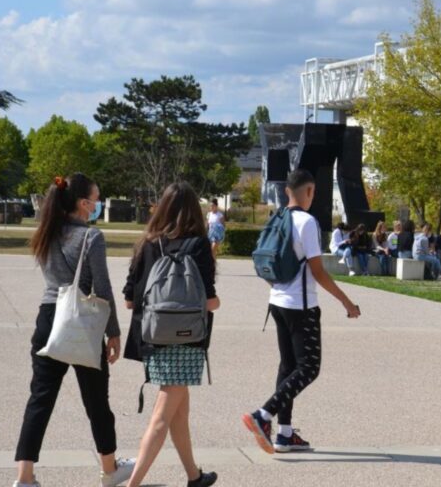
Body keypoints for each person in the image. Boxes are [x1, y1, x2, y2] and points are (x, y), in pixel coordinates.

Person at [15, 173, 135, 487]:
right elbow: (103, 287)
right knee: (97, 401)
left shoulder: (48, 232)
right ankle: (109, 470)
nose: (98, 205)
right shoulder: (90, 237)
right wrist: (114, 333)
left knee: (39, 400)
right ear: (83, 204)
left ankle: (24, 477)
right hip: (81, 320)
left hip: (48, 319)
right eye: (96, 200)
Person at [242, 169, 361, 455]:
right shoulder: (307, 223)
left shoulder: (278, 217)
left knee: (288, 367)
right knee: (308, 368)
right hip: (301, 306)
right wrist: (347, 302)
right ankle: (264, 415)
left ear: (286, 192)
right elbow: (318, 272)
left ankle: (284, 434)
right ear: (310, 191)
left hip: (278, 302)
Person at [123, 183, 221, 487]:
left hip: (153, 337)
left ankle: (193, 475)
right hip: (187, 339)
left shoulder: (147, 244)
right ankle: (132, 483)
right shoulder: (199, 244)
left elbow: (129, 299)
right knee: (163, 416)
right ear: (194, 209)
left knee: (179, 411)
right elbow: (210, 301)